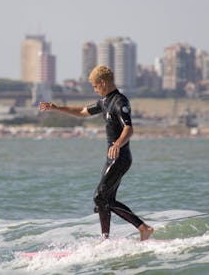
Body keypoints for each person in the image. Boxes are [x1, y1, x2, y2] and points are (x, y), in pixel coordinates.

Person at [39, 65, 154, 241]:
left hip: (120, 158)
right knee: (104, 200)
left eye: (95, 86)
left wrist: (117, 144)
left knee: (100, 196)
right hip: (111, 159)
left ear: (103, 82)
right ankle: (105, 238)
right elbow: (83, 112)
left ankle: (143, 228)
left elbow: (129, 129)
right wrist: (57, 108)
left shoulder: (120, 102)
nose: (94, 89)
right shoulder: (105, 102)